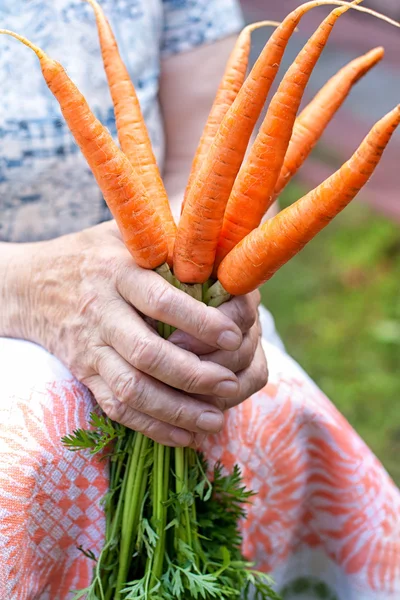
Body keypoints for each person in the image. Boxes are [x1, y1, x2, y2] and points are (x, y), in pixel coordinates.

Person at [0, 1, 398, 599]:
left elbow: (212, 170)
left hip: (163, 301)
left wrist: (201, 293)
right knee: (35, 461)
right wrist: (27, 284)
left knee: (270, 410)